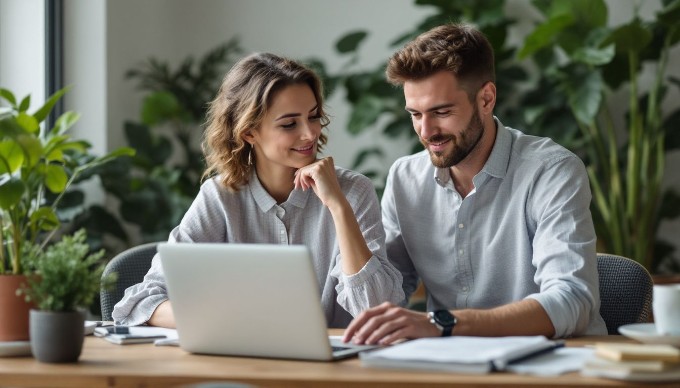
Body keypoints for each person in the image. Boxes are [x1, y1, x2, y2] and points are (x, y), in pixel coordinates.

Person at [343, 23, 607, 345]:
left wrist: (442, 323)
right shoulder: (405, 178)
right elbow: (382, 302)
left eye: (441, 111)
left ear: (486, 98)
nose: (426, 131)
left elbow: (573, 301)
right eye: (415, 114)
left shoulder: (551, 171)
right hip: (450, 366)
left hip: (549, 363)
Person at [112, 53, 404, 328]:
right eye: (289, 123)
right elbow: (141, 300)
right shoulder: (220, 197)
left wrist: (339, 208)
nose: (310, 133)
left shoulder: (353, 191)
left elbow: (377, 308)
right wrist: (226, 323)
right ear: (249, 132)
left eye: (313, 116)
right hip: (246, 368)